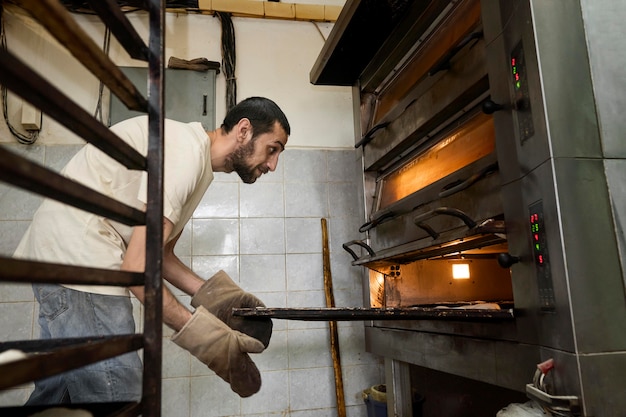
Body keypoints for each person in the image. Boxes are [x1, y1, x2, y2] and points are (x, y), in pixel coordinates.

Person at [13, 96, 290, 404]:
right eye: (272, 149)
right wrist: (210, 343)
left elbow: (160, 255)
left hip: (60, 255)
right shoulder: (185, 155)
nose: (273, 164)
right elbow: (137, 269)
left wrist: (219, 300)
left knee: (57, 397)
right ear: (244, 130)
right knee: (119, 396)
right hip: (80, 254)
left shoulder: (195, 161)